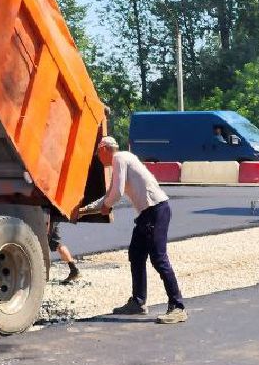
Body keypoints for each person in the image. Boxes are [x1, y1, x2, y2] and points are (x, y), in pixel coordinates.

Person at [79, 135, 186, 324]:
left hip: (155, 210)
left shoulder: (120, 158)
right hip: (147, 213)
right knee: (135, 254)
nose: (97, 157)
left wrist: (106, 207)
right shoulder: (122, 161)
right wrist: (85, 210)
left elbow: (116, 194)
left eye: (97, 153)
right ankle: (138, 302)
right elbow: (109, 194)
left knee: (159, 258)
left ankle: (177, 307)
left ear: (104, 149)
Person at [47, 214, 81, 284]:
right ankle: (74, 270)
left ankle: (74, 270)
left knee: (55, 244)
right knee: (56, 244)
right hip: (52, 217)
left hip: (50, 217)